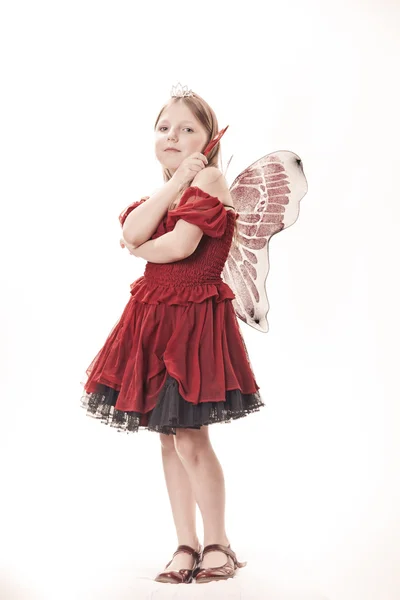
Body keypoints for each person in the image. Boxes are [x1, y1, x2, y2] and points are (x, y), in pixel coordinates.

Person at [80, 83, 265, 584]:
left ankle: (218, 544)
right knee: (168, 438)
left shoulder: (211, 180)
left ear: (208, 140)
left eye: (187, 128)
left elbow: (178, 247)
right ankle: (185, 542)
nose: (173, 135)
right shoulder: (172, 190)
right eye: (164, 128)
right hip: (152, 322)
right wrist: (170, 184)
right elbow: (136, 227)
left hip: (192, 323)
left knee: (191, 437)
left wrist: (135, 248)